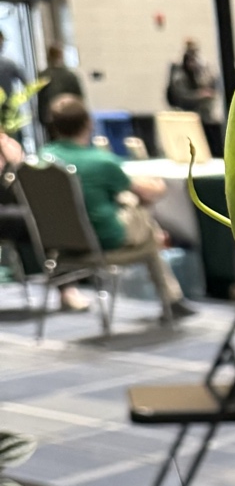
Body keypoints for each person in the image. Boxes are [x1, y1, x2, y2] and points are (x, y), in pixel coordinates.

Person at [42, 97, 193, 321]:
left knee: (138, 215)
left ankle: (172, 300)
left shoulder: (41, 159)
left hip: (59, 245)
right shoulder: (101, 162)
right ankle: (172, 299)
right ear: (88, 123)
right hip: (104, 241)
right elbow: (148, 192)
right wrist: (158, 187)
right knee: (148, 226)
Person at [35, 44, 84, 136]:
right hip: (70, 118)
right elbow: (79, 98)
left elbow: (41, 100)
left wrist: (42, 118)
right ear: (61, 56)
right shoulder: (70, 76)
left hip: (50, 119)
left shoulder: (43, 76)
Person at [166, 40, 216, 123]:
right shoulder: (179, 76)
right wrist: (200, 95)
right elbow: (182, 97)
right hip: (183, 112)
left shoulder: (199, 70)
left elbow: (211, 84)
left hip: (200, 113)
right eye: (191, 59)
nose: (194, 62)